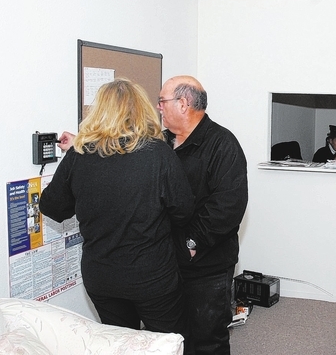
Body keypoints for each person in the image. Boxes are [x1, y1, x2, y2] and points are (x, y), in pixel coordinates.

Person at [39, 78, 195, 340]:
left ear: (98, 111)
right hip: (151, 276)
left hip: (102, 277)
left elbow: (52, 207)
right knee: (167, 343)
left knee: (120, 343)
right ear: (141, 110)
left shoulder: (79, 154)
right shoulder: (158, 153)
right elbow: (184, 210)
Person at [158, 75, 248, 355]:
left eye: (162, 101)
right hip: (166, 261)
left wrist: (192, 243)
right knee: (173, 337)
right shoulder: (161, 143)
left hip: (207, 264)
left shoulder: (222, 144)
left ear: (183, 103)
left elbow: (228, 205)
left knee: (208, 338)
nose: (158, 107)